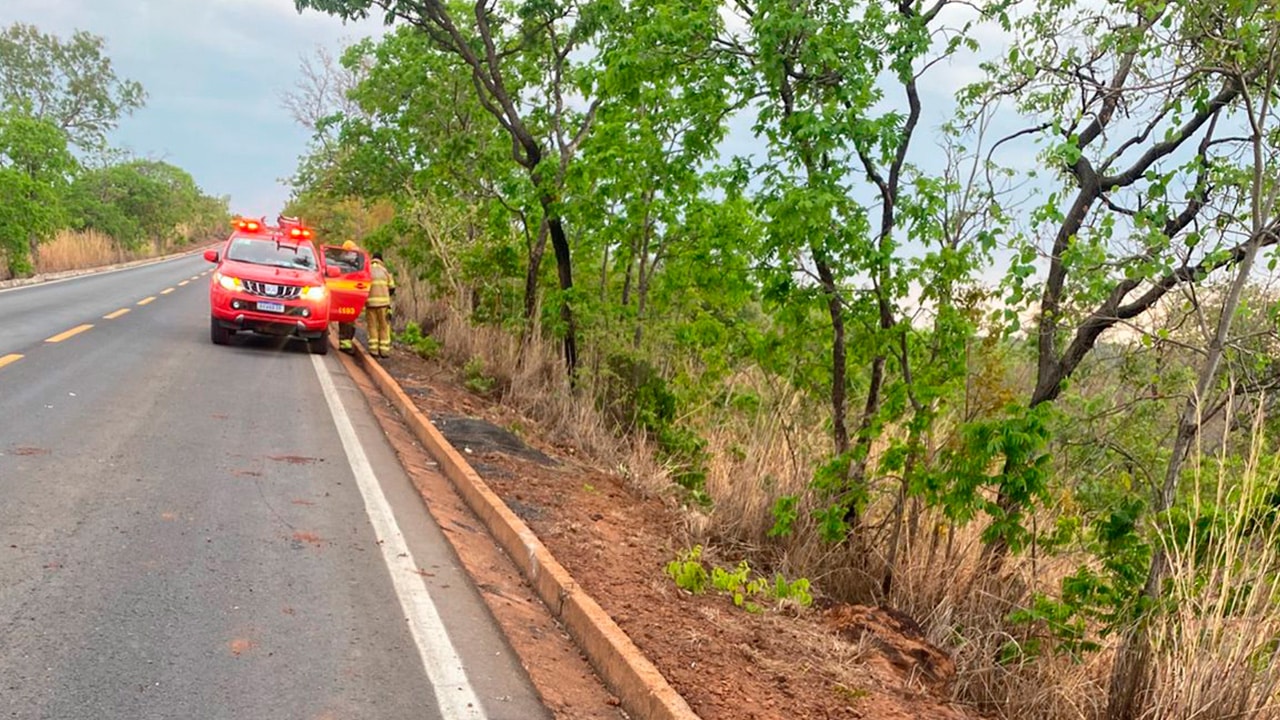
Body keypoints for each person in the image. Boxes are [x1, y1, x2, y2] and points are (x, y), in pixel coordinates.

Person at [365, 251, 396, 358]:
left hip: (370, 304)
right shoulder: (385, 271)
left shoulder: (367, 270)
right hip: (383, 304)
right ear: (381, 260)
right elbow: (392, 288)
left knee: (372, 326)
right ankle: (384, 351)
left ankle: (373, 350)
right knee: (384, 326)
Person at [335, 240, 361, 353]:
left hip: (347, 295)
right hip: (349, 296)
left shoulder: (343, 261)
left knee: (347, 320)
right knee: (347, 320)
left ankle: (345, 343)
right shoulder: (353, 261)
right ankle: (345, 344)